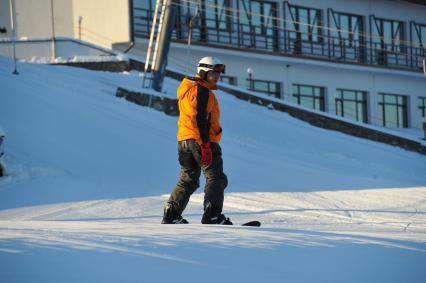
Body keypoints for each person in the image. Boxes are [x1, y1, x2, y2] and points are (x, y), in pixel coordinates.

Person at [162, 56, 232, 225]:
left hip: (184, 140)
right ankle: (212, 215)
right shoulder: (201, 91)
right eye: (212, 73)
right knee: (216, 177)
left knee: (189, 179)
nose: (216, 77)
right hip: (201, 140)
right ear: (203, 72)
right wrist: (205, 144)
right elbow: (198, 118)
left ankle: (172, 214)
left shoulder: (187, 89)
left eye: (218, 74)